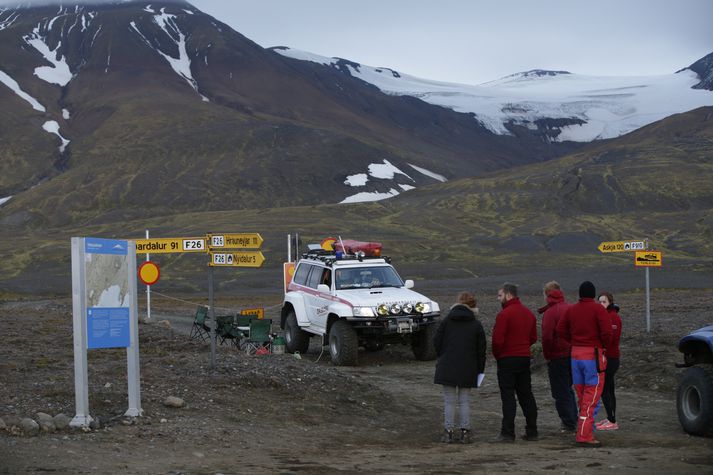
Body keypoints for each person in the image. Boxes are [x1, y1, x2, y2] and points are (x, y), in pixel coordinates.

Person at [556, 281, 612, 446]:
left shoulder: (572, 310)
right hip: (593, 356)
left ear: (580, 294)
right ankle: (584, 435)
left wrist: (573, 342)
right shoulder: (598, 310)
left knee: (582, 397)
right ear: (593, 294)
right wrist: (603, 347)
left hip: (575, 356)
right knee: (591, 395)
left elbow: (560, 330)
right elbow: (607, 333)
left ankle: (585, 430)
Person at [433, 291, 487, 444]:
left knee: (449, 401)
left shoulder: (447, 321)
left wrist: (443, 356)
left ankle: (448, 431)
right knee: (464, 401)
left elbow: (436, 341)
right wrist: (480, 370)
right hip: (468, 367)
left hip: (447, 365)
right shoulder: (476, 324)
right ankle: (465, 432)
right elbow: (481, 350)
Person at [492, 283, 538, 442]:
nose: (498, 299)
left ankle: (507, 433)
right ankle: (532, 430)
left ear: (508, 295)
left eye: (500, 295)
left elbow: (497, 340)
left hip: (507, 359)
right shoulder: (528, 314)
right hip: (524, 358)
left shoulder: (504, 315)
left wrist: (498, 355)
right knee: (526, 394)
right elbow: (533, 338)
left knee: (508, 396)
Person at [537, 281, 578, 433]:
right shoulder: (571, 308)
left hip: (558, 356)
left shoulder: (550, 313)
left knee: (560, 391)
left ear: (546, 295)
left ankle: (568, 423)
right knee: (569, 389)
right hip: (574, 354)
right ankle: (574, 419)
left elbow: (547, 337)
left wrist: (547, 355)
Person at [596, 292, 622, 431]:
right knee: (609, 388)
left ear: (610, 302)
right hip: (608, 357)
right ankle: (611, 418)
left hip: (611, 358)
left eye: (604, 302)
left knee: (605, 389)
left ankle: (612, 420)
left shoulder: (613, 317)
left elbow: (611, 338)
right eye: (599, 302)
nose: (601, 304)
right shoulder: (607, 316)